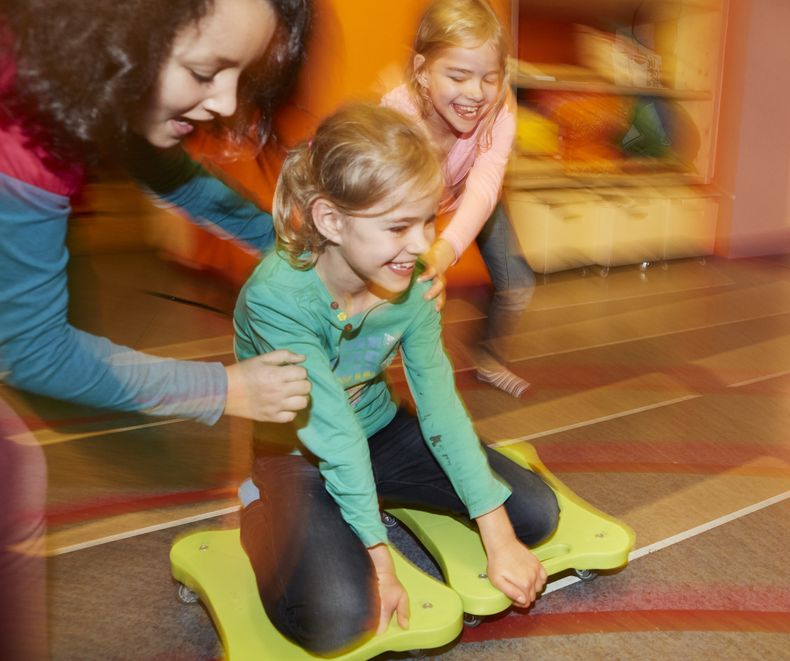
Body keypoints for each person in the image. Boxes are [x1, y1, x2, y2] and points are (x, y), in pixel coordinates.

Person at [0, 0, 312, 658]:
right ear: (120, 34)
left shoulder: (90, 76)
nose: (226, 102)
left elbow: (178, 178)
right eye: (206, 72)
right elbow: (32, 348)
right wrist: (223, 389)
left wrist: (290, 247)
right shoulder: (22, 128)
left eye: (239, 75)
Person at [234, 103, 560, 654]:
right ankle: (257, 510)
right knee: (339, 618)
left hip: (380, 433)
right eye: (398, 226)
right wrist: (381, 563)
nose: (421, 243)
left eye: (429, 220)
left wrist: (498, 537)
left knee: (532, 515)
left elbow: (440, 406)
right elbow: (331, 431)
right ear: (331, 221)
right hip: (297, 455)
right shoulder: (277, 298)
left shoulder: (408, 281)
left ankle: (367, 495)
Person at [382, 0, 535, 397]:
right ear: (422, 71)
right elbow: (390, 203)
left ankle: (486, 358)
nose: (476, 93)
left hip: (471, 192)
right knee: (407, 293)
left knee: (517, 285)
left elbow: (485, 187)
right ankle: (363, 378)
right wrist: (422, 255)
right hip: (414, 201)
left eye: (489, 77)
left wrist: (446, 250)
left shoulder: (500, 111)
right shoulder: (400, 115)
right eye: (459, 75)